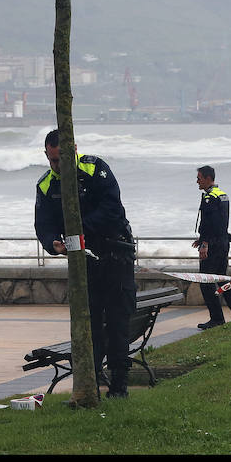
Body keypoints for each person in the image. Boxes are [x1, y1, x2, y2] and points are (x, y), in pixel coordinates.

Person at [34, 129, 136, 398]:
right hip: (84, 261)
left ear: (74, 149)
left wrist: (80, 231)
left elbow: (113, 209)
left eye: (63, 159)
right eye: (53, 160)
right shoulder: (46, 185)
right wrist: (52, 243)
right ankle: (90, 383)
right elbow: (43, 224)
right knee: (89, 322)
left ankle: (119, 386)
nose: (58, 165)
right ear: (46, 156)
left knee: (117, 320)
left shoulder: (96, 168)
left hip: (115, 255)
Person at [192, 165, 231, 329]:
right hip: (223, 242)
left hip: (213, 244)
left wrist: (205, 243)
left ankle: (217, 318)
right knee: (223, 280)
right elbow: (220, 223)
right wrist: (202, 238)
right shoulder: (222, 194)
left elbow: (210, 222)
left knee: (206, 282)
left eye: (199, 178)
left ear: (208, 178)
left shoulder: (209, 197)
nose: (197, 181)